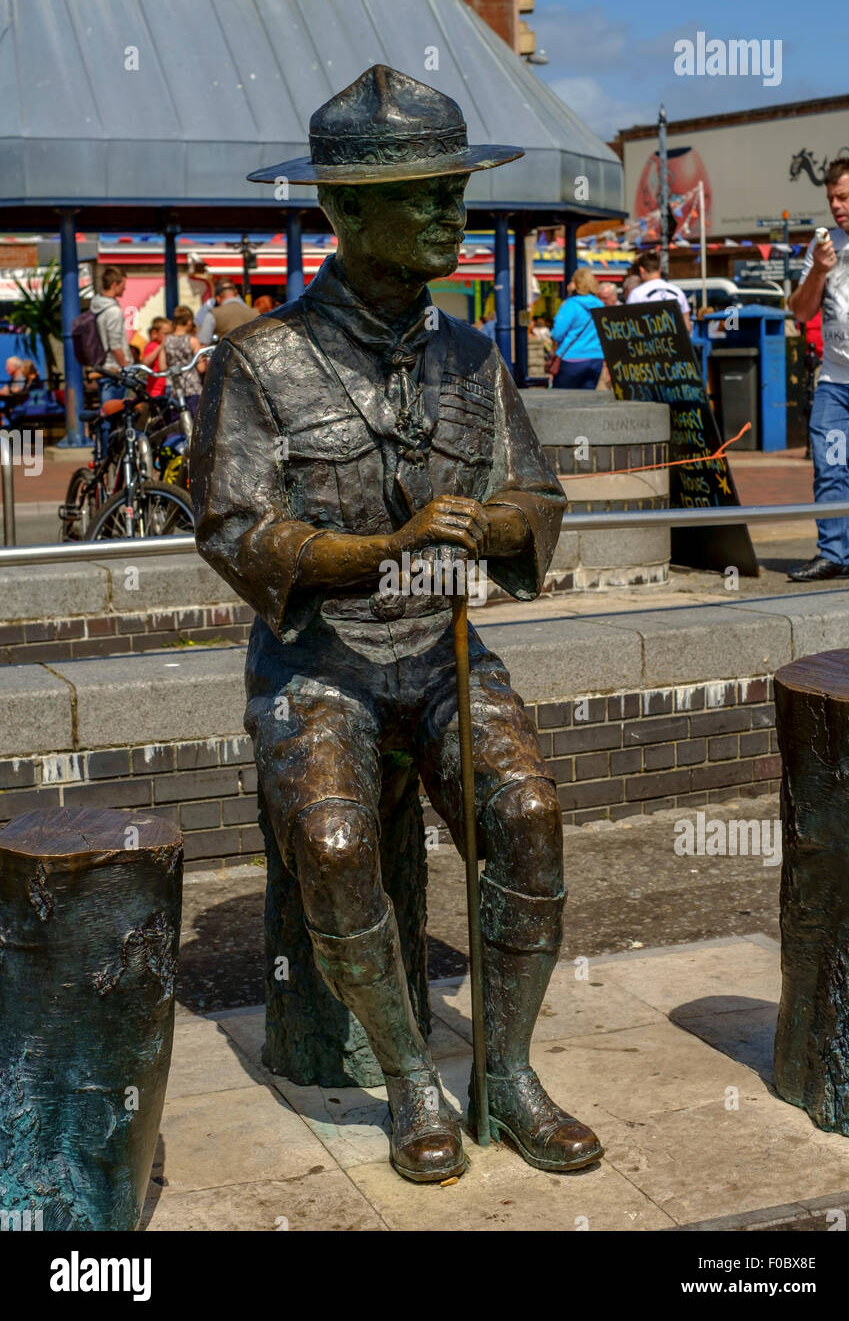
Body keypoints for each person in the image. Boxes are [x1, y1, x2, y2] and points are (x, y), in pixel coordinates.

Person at [190, 64, 603, 1187]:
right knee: (330, 846)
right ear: (340, 211)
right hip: (319, 662)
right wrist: (384, 546)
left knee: (528, 813)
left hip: (441, 652)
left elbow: (537, 500)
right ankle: (410, 1075)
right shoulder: (261, 361)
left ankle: (506, 1072)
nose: (447, 216)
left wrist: (498, 523)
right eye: (420, 195)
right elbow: (235, 531)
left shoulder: (471, 356)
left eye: (451, 192)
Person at [788, 157, 849, 581]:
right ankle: (834, 555)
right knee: (830, 468)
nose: (836, 205)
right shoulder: (823, 248)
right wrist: (819, 269)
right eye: (830, 198)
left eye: (844, 196)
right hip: (837, 383)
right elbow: (801, 310)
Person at [549, 270, 605, 388]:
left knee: (562, 400)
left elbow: (557, 334)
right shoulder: (600, 305)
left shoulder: (571, 305)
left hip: (571, 358)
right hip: (596, 358)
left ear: (576, 284)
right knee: (587, 400)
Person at [90, 266, 131, 403]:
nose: (125, 289)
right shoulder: (113, 311)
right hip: (115, 371)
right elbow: (115, 345)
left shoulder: (97, 306)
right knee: (114, 417)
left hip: (104, 368)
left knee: (107, 414)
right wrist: (126, 367)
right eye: (123, 285)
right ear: (114, 285)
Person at [158, 305, 208, 415]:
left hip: (173, 389)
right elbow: (201, 368)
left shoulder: (166, 340)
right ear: (189, 322)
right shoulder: (193, 341)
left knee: (176, 425)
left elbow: (162, 367)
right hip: (192, 387)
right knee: (194, 424)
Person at [626, 251, 692, 331]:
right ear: (659, 269)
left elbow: (631, 327)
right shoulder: (677, 292)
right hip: (676, 341)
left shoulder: (636, 294)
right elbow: (687, 326)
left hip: (650, 341)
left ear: (641, 270)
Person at [141, 317, 171, 398]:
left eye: (170, 334)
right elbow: (146, 362)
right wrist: (160, 347)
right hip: (155, 390)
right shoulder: (152, 346)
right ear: (155, 333)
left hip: (168, 388)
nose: (168, 337)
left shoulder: (169, 346)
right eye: (165, 334)